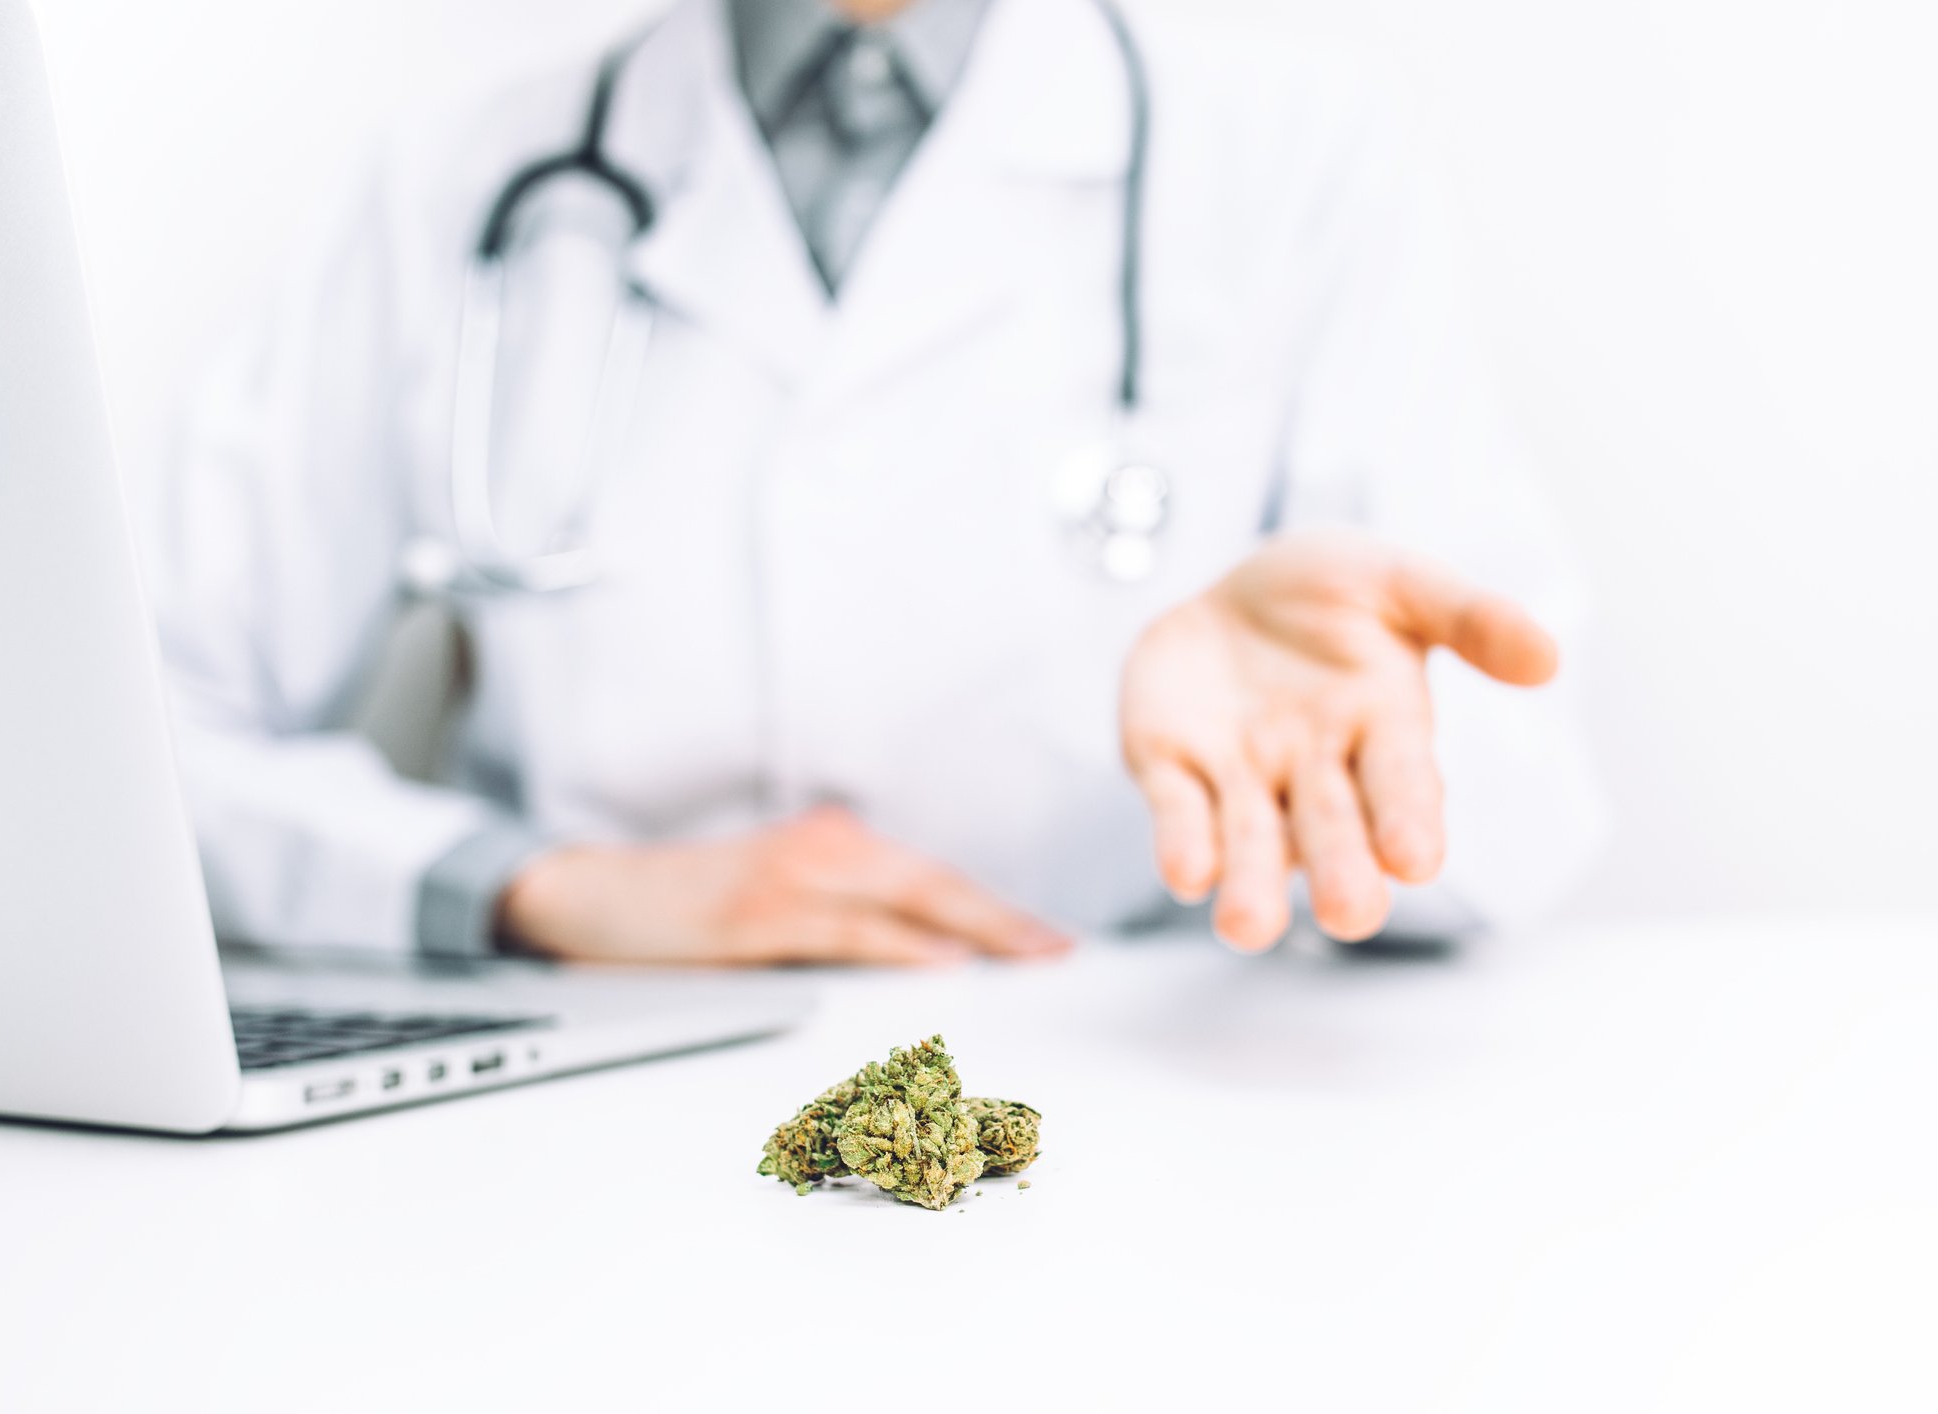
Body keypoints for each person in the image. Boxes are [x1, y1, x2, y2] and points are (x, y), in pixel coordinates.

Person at [148, 0, 1603, 970]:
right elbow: (136, 741)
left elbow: (1524, 807)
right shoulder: (455, 179)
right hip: (589, 1084)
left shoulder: (1287, 158)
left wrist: (1327, 760)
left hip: (1125, 1087)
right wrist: (524, 887)